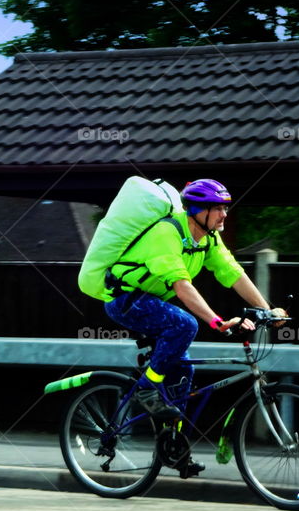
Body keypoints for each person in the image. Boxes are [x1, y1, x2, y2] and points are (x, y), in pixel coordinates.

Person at [103, 179, 284, 474]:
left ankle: (175, 449)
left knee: (183, 371)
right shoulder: (167, 232)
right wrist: (216, 321)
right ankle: (146, 389)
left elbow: (232, 272)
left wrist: (266, 308)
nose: (224, 214)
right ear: (198, 210)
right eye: (218, 209)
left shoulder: (207, 239)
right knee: (185, 325)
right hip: (126, 300)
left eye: (226, 208)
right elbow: (182, 287)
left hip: (153, 302)